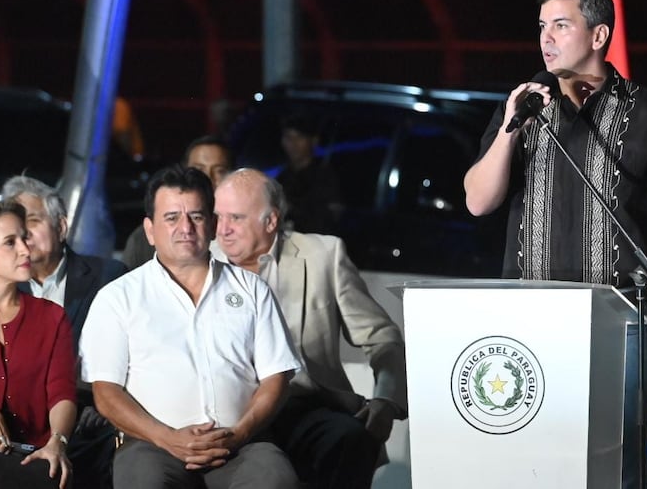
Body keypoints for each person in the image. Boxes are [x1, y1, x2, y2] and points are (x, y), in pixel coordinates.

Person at [463, 0, 647, 487]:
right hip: (528, 320)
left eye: (561, 25)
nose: (546, 39)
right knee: (532, 463)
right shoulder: (524, 105)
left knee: (615, 464)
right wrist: (510, 127)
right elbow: (477, 200)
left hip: (616, 322)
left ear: (598, 36)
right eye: (541, 27)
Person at [79, 165, 302, 489]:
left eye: (196, 216)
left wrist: (239, 434)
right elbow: (106, 394)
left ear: (212, 225)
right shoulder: (118, 298)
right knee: (143, 479)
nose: (185, 227)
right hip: (151, 446)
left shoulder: (252, 290)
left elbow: (276, 379)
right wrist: (167, 438)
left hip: (241, 446)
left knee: (275, 476)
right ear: (150, 230)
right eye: (171, 218)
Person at [213, 168, 406, 489]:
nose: (223, 231)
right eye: (218, 217)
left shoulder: (322, 257)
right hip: (231, 411)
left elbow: (383, 338)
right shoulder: (204, 263)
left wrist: (385, 402)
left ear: (271, 221)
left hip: (308, 404)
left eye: (235, 218)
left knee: (351, 437)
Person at [0, 175, 128, 489]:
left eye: (32, 220)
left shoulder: (108, 278)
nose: (23, 234)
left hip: (91, 420)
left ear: (61, 227)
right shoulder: (0, 289)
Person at [0, 200, 76, 489]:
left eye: (24, 238)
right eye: (10, 242)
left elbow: (62, 392)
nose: (26, 249)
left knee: (48, 474)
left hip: (32, 456)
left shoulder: (51, 317)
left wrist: (56, 442)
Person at [120, 135, 233, 269]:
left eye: (219, 171)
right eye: (199, 169)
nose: (208, 177)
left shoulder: (241, 231)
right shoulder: (144, 238)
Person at [276, 112, 342, 234]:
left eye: (299, 137)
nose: (293, 144)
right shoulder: (282, 177)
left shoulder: (325, 178)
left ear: (314, 141)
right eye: (288, 138)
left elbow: (325, 220)